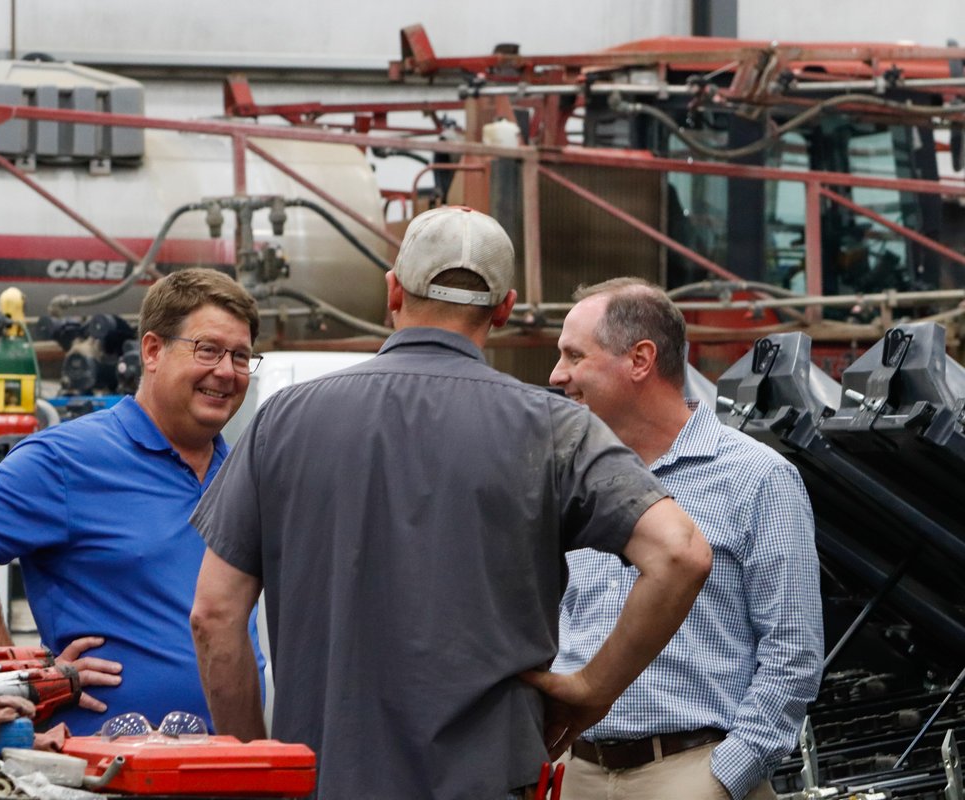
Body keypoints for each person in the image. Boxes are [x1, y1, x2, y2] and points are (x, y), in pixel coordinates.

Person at [187, 206, 712, 800]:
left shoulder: (282, 420)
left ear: (393, 290)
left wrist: (261, 773)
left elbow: (214, 616)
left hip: (325, 781)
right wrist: (593, 689)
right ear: (505, 308)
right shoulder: (555, 429)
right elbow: (680, 553)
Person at [0, 268, 266, 735]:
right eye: (208, 350)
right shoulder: (70, 458)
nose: (226, 371)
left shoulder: (241, 472)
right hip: (108, 771)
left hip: (228, 766)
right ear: (153, 351)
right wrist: (16, 683)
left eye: (241, 357)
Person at [547, 277, 823, 800]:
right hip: (574, 773)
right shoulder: (568, 478)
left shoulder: (757, 478)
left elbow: (793, 653)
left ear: (640, 359)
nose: (557, 375)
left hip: (691, 772)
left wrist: (723, 778)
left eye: (573, 355)